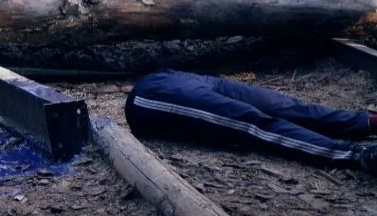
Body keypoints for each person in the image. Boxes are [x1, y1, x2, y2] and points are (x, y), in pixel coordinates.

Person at [125, 69, 377, 174]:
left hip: (173, 79)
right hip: (152, 98)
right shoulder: (148, 100)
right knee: (254, 123)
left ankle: (368, 122)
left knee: (284, 106)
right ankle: (357, 155)